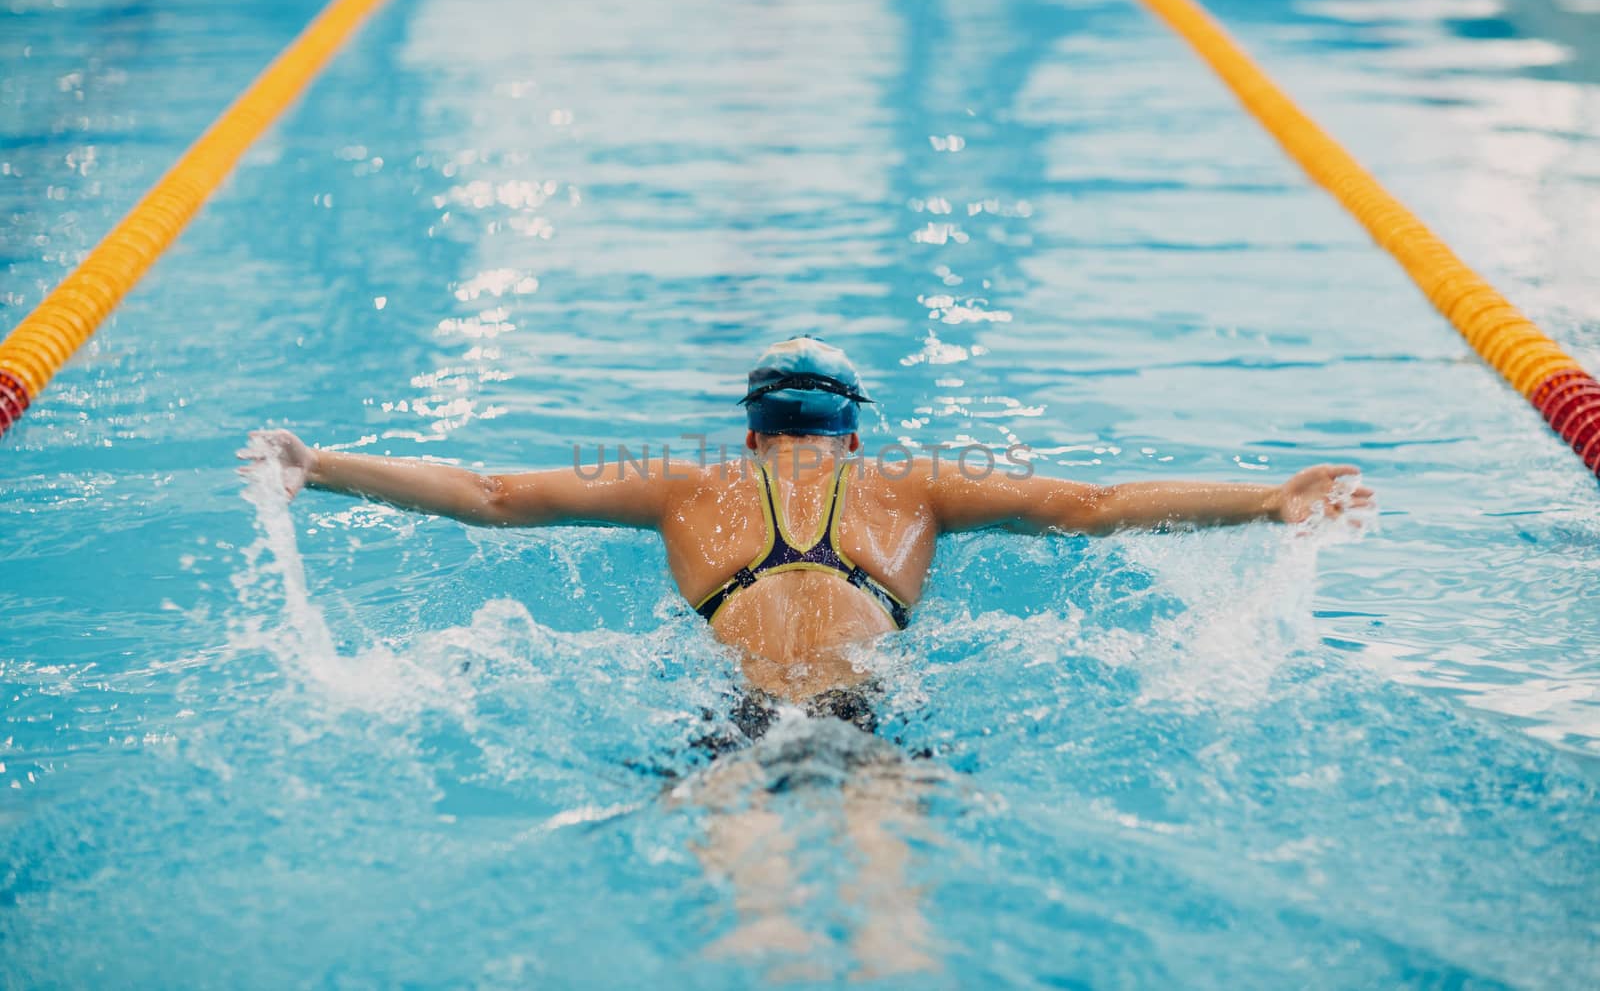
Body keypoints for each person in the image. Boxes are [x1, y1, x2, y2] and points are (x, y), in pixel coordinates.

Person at [241, 335, 1372, 732]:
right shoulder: (917, 488)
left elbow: (488, 495)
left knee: (752, 897)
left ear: (750, 433)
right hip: (870, 713)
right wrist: (1271, 496)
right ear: (852, 432)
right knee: (887, 897)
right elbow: (1099, 505)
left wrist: (322, 466)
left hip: (733, 718)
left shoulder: (680, 488)